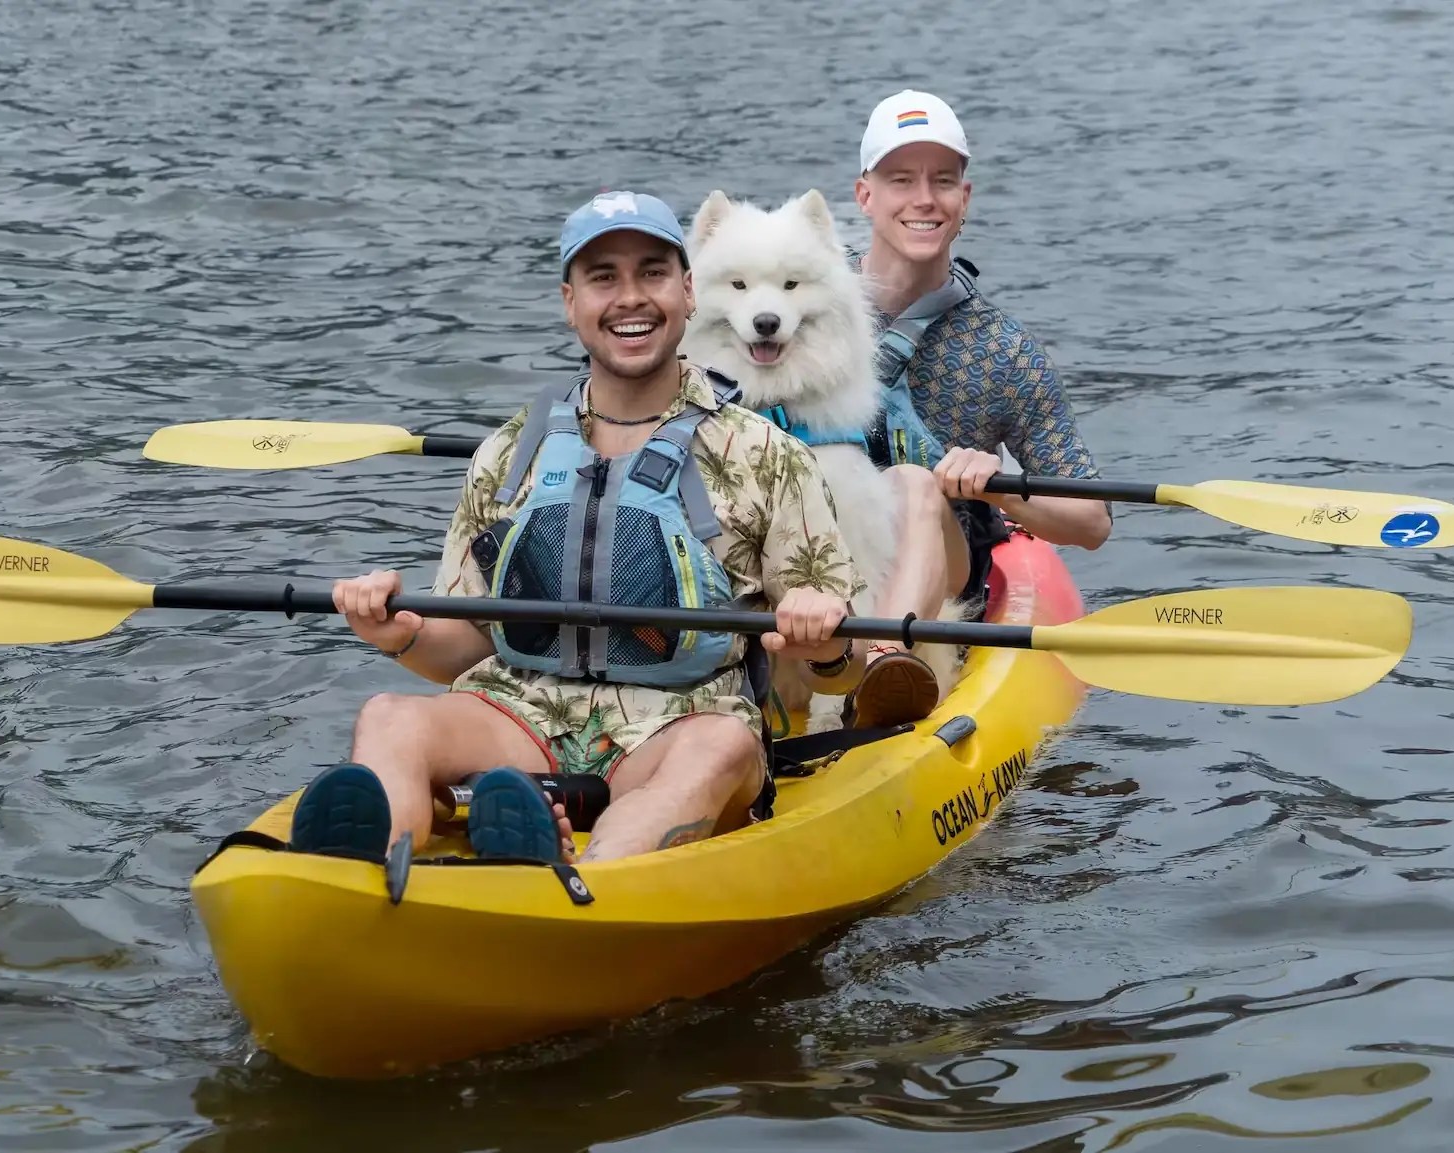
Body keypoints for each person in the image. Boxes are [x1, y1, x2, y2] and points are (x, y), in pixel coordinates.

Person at [289, 190, 870, 870]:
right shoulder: (510, 455)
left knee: (722, 746)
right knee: (389, 717)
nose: (631, 298)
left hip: (677, 730)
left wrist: (825, 641)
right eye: (603, 278)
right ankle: (372, 868)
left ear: (687, 292)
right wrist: (399, 633)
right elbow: (462, 647)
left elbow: (842, 673)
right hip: (518, 719)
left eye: (652, 273)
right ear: (571, 302)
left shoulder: (768, 457)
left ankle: (585, 877)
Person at [831, 89, 1113, 711]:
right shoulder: (805, 303)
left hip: (942, 563)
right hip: (814, 542)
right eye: (901, 179)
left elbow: (1092, 522)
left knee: (914, 486)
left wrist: (998, 488)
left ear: (965, 199)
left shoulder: (1006, 352)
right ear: (865, 196)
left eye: (943, 180)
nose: (924, 199)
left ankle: (884, 665)